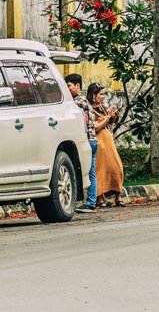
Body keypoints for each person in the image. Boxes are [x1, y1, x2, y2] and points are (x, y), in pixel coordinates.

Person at [87, 83, 125, 207]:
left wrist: (114, 117)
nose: (103, 97)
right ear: (93, 95)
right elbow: (96, 127)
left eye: (104, 94)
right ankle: (100, 198)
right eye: (101, 94)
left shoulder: (103, 107)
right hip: (99, 142)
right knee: (100, 170)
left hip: (109, 142)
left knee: (116, 167)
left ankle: (118, 197)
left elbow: (110, 122)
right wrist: (108, 118)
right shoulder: (90, 109)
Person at [65, 73, 98, 212]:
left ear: (77, 86)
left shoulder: (77, 102)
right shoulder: (85, 100)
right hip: (93, 139)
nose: (67, 89)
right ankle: (90, 201)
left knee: (89, 172)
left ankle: (91, 203)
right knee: (90, 172)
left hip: (87, 140)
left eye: (69, 86)